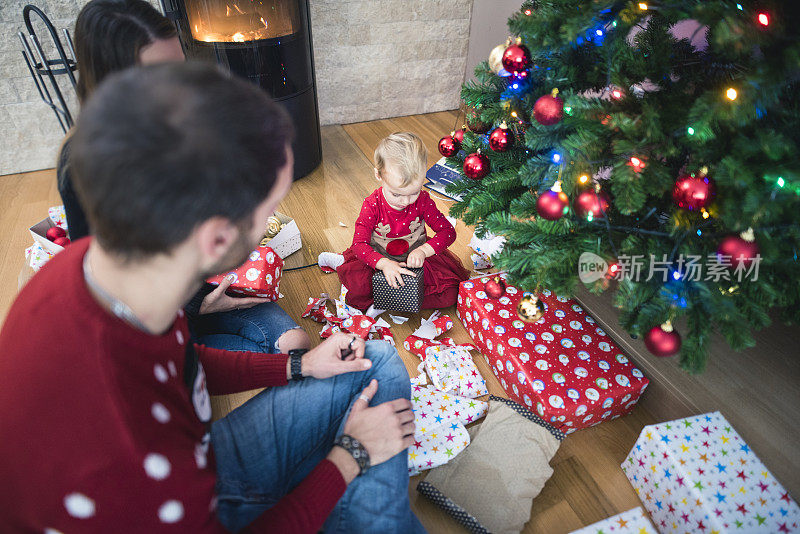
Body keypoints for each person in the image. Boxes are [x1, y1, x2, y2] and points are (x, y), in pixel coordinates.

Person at [0, 63, 424, 533]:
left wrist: (298, 367)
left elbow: (182, 363)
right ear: (217, 239)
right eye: (269, 209)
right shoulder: (120, 454)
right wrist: (350, 458)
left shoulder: (103, 267)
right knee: (362, 442)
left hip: (200, 457)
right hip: (197, 504)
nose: (271, 225)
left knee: (378, 361)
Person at [57, 0, 307, 355]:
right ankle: (195, 360)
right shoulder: (85, 167)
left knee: (294, 343)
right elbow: (113, 290)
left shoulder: (181, 128)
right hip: (157, 314)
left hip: (207, 283)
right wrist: (196, 304)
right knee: (196, 363)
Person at [319, 132, 469, 314]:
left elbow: (447, 232)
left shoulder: (423, 201)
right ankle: (343, 263)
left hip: (415, 261)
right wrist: (383, 264)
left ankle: (388, 299)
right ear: (378, 175)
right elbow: (359, 245)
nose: (406, 201)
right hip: (378, 259)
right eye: (397, 194)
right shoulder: (372, 205)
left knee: (450, 294)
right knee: (358, 288)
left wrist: (423, 250)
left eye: (413, 192)